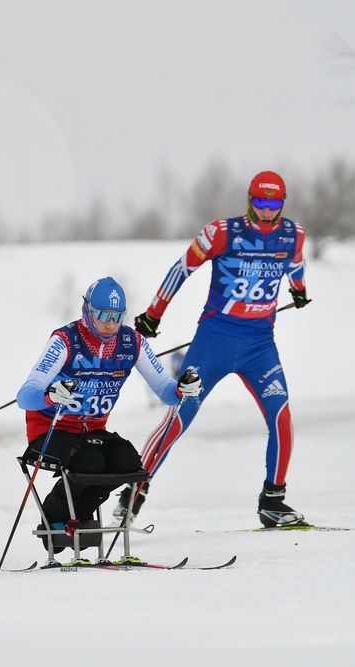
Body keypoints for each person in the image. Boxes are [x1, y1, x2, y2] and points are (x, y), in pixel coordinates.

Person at [124, 170, 310, 528]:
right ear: (250, 200)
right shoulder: (222, 232)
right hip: (214, 341)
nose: (267, 209)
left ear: (282, 203)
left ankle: (273, 501)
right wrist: (152, 314)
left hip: (260, 346)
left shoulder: (292, 234)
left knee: (282, 418)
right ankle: (136, 489)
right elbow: (182, 269)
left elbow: (297, 265)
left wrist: (299, 290)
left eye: (274, 203)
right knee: (180, 417)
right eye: (260, 202)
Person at [15, 276, 202, 549]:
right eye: (102, 315)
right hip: (50, 430)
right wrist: (50, 396)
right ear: (87, 311)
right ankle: (53, 519)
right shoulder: (66, 340)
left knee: (128, 462)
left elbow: (164, 388)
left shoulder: (131, 342)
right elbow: (25, 397)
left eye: (117, 316)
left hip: (92, 431)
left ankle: (77, 516)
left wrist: (182, 388)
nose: (110, 323)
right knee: (90, 461)